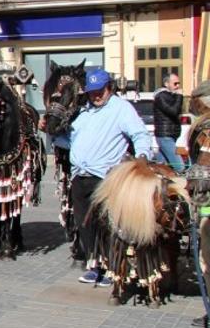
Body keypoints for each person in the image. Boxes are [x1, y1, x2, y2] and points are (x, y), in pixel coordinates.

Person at [65, 68, 155, 285]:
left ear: (109, 88)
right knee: (84, 223)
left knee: (107, 225)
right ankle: (94, 265)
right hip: (80, 175)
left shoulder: (121, 108)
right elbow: (71, 139)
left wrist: (142, 155)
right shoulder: (84, 111)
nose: (95, 96)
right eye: (91, 92)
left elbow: (139, 134)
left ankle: (112, 267)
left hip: (105, 177)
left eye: (99, 91)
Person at [153, 72, 185, 173]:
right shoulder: (161, 96)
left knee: (161, 167)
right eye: (175, 83)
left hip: (170, 135)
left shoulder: (170, 96)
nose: (178, 86)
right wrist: (179, 96)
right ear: (166, 84)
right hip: (165, 136)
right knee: (180, 166)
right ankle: (180, 187)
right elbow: (173, 111)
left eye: (179, 83)